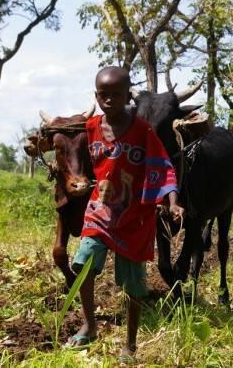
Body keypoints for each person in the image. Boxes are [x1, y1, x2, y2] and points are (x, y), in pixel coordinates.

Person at [65, 66, 185, 360]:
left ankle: (130, 345)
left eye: (116, 95)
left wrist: (172, 201)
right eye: (103, 95)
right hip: (101, 211)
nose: (109, 100)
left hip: (134, 218)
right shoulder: (90, 128)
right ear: (96, 95)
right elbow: (72, 160)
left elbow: (162, 166)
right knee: (82, 264)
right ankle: (90, 325)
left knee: (133, 285)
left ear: (125, 97)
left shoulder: (142, 130)